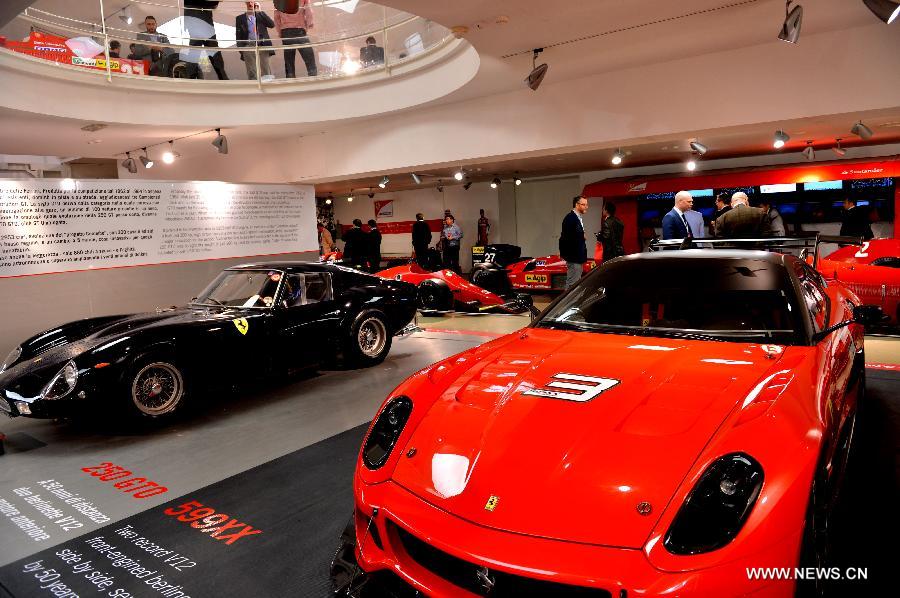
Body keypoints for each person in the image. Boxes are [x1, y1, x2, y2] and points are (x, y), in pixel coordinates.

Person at [183, 0, 229, 80]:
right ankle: (191, 77)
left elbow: (213, 5)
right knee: (196, 51)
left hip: (205, 22)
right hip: (196, 22)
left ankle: (222, 77)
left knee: (213, 53)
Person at [276, 0, 317, 78]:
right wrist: (309, 24)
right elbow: (309, 11)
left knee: (289, 59)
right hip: (299, 29)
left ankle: (290, 80)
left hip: (286, 31)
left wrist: (280, 32)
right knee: (309, 56)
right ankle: (313, 78)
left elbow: (276, 18)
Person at [236, 2, 275, 80]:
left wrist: (260, 11)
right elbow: (238, 34)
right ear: (246, 3)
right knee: (251, 71)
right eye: (249, 2)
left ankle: (268, 88)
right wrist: (242, 49)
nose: (251, 4)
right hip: (248, 46)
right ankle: (254, 88)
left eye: (252, 2)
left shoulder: (260, 15)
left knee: (266, 69)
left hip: (262, 44)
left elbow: (271, 25)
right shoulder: (240, 18)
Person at [560, 195, 588, 289]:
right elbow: (565, 238)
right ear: (577, 205)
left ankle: (571, 302)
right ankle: (569, 303)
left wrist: (582, 236)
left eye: (586, 205)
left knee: (574, 283)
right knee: (572, 284)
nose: (586, 207)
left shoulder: (576, 218)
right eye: (584, 205)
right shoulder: (570, 218)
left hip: (577, 257)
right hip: (574, 257)